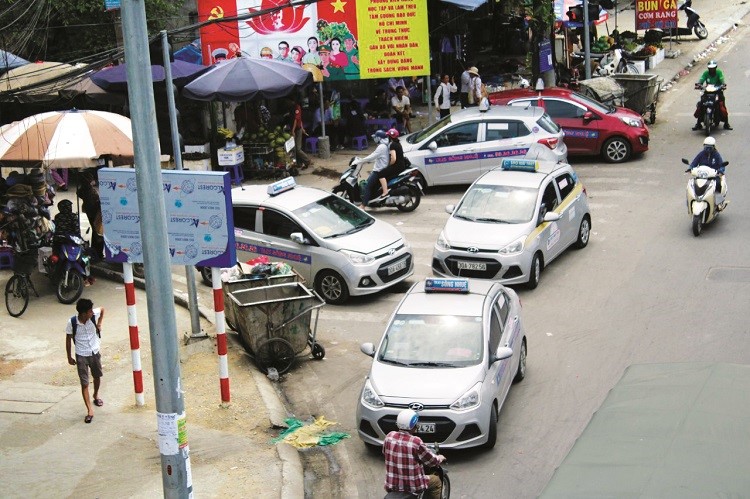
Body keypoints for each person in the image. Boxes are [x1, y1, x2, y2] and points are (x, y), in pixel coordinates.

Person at [383, 409, 445, 499]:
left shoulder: (389, 437)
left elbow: (385, 452)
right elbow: (432, 461)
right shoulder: (416, 442)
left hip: (392, 485)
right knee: (436, 481)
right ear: (414, 426)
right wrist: (439, 458)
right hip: (413, 486)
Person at [66, 298, 105, 424]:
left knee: (97, 376)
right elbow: (68, 339)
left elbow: (103, 309)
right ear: (83, 313)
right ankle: (90, 410)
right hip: (81, 355)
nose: (92, 313)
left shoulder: (94, 315)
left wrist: (99, 323)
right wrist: (69, 356)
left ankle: (95, 395)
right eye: (89, 312)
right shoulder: (72, 322)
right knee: (85, 383)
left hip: (94, 352)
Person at [353, 130, 391, 207]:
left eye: (376, 137)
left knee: (367, 186)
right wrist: (367, 161)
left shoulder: (381, 147)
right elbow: (377, 157)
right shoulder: (384, 145)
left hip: (378, 171)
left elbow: (372, 156)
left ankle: (363, 206)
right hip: (381, 168)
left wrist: (361, 160)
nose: (375, 139)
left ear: (379, 138)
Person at [693, 60, 732, 130]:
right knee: (701, 105)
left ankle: (726, 123)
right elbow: (701, 79)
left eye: (713, 68)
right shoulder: (706, 73)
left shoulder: (719, 72)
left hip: (718, 92)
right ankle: (698, 123)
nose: (711, 70)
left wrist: (723, 85)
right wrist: (699, 84)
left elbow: (722, 80)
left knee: (722, 105)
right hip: (707, 92)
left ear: (716, 67)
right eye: (710, 68)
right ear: (708, 68)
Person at [78, 169, 104, 261]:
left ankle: (96, 252)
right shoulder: (89, 191)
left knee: (95, 232)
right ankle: (97, 253)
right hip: (94, 213)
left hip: (91, 213)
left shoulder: (83, 189)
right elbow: (93, 203)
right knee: (98, 233)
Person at [373, 128, 406, 198]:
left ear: (390, 137)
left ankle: (385, 192)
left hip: (397, 166)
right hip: (401, 165)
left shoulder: (392, 145)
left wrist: (389, 165)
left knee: (381, 174)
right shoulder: (398, 143)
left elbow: (393, 158)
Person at [289, 97, 313, 169]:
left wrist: (293, 130)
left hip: (297, 129)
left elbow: (297, 120)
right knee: (295, 148)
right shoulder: (292, 108)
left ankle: (307, 160)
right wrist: (303, 129)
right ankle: (299, 163)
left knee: (298, 149)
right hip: (298, 129)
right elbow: (300, 120)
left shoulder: (297, 108)